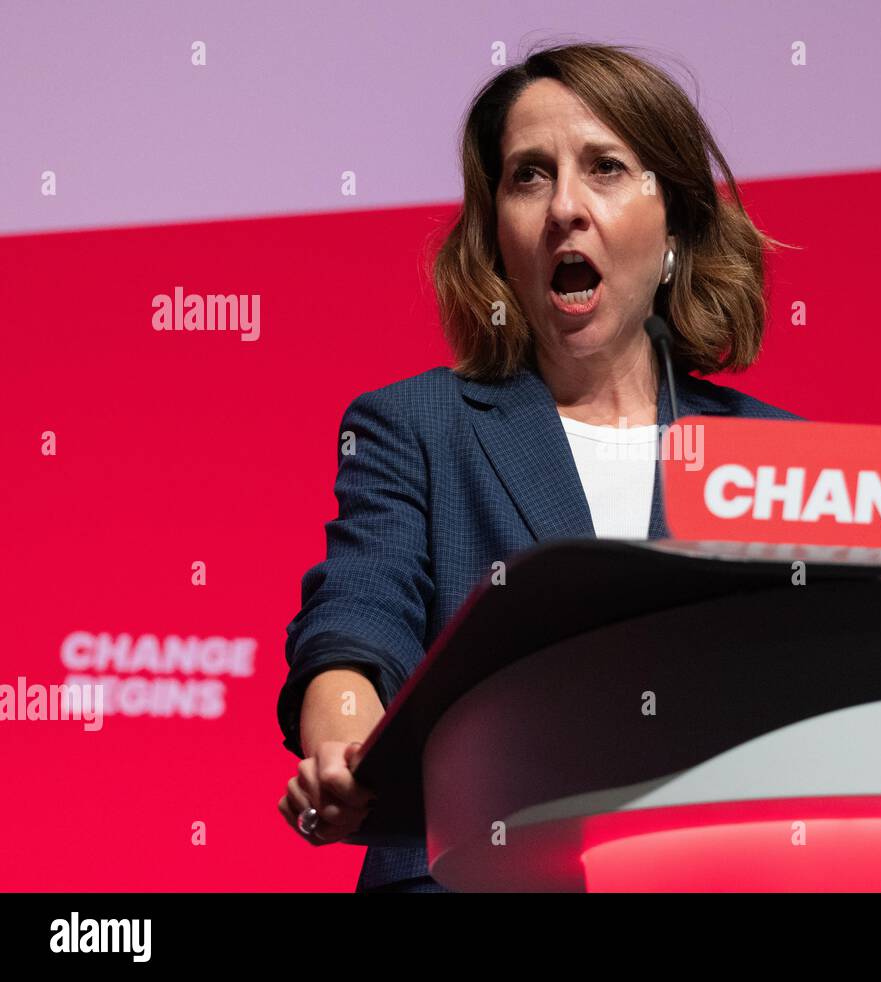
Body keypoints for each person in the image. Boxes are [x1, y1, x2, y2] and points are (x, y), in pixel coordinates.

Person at [275, 41, 801, 893]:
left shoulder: (778, 458)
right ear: (495, 240)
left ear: (675, 221)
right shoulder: (417, 427)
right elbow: (357, 621)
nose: (564, 207)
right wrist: (343, 746)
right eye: (528, 177)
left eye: (604, 168)